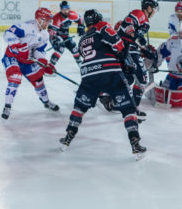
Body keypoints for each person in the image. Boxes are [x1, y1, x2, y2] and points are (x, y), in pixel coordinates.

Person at [59, 9, 146, 159]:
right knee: (128, 108)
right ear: (99, 18)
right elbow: (118, 45)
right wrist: (126, 61)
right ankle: (135, 142)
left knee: (79, 107)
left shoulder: (82, 39)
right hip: (110, 73)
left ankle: (68, 136)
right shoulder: (103, 26)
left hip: (88, 76)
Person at [1, 7, 59, 120]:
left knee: (38, 80)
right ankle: (7, 106)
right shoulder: (26, 26)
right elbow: (7, 33)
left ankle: (46, 102)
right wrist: (18, 45)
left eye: (48, 21)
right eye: (45, 20)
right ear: (38, 19)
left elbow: (39, 51)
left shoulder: (45, 35)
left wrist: (43, 62)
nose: (47, 23)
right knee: (15, 78)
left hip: (27, 60)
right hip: (13, 57)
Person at [114, 0, 159, 121]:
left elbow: (137, 40)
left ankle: (113, 97)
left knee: (128, 77)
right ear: (148, 8)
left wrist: (146, 50)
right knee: (142, 77)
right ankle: (131, 107)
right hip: (126, 50)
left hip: (130, 50)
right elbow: (128, 27)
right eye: (154, 8)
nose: (155, 11)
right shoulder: (138, 13)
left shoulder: (145, 20)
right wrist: (138, 38)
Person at [48, 1, 85, 67]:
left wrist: (81, 27)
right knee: (60, 48)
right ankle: (50, 66)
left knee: (74, 48)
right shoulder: (57, 18)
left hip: (65, 36)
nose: (66, 11)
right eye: (64, 9)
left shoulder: (72, 14)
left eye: (67, 9)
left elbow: (80, 19)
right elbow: (51, 33)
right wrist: (57, 39)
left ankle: (81, 65)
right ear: (61, 9)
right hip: (55, 36)